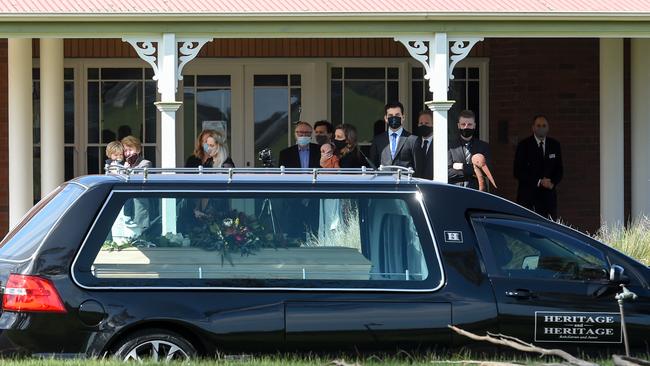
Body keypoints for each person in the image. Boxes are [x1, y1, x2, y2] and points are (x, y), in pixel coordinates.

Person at [514, 115, 563, 220]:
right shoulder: (524, 145)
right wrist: (539, 181)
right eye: (538, 125)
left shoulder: (555, 145)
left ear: (548, 128)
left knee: (549, 229)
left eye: (544, 125)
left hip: (548, 198)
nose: (541, 128)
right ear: (533, 128)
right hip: (528, 197)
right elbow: (517, 171)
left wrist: (552, 182)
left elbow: (559, 169)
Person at [369, 101, 423, 175]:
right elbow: (373, 168)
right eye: (390, 115)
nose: (394, 118)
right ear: (386, 119)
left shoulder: (413, 140)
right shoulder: (378, 140)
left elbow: (418, 170)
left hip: (405, 184)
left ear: (403, 117)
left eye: (397, 115)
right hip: (384, 184)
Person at [448, 110, 493, 190]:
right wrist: (475, 170)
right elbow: (448, 172)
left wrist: (462, 166)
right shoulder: (450, 146)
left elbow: (487, 171)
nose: (466, 127)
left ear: (474, 126)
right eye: (463, 124)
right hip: (455, 191)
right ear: (458, 125)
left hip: (477, 191)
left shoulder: (483, 146)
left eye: (469, 124)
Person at [416, 110, 433, 180]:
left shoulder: (440, 144)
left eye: (426, 123)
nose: (423, 126)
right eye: (421, 123)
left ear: (433, 124)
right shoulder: (414, 143)